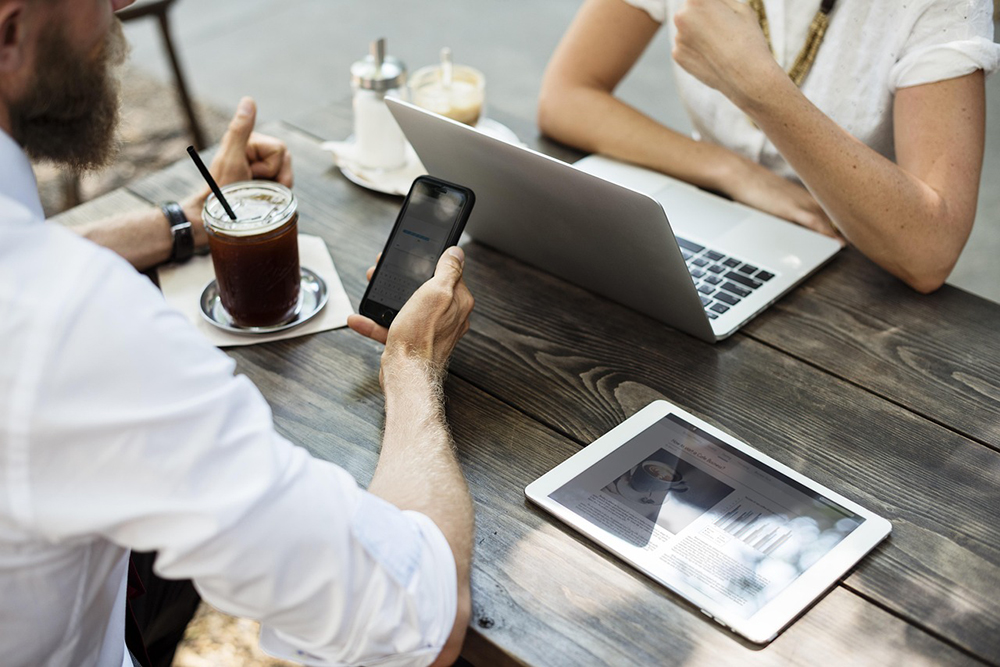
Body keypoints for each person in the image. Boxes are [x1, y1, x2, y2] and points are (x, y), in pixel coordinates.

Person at [0, 2, 475, 667]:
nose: (119, 11)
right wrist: (413, 364)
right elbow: (416, 616)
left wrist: (185, 222)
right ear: (10, 32)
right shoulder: (71, 321)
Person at [538, 0, 1000, 293]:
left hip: (856, 261)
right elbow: (565, 97)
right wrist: (733, 171)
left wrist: (759, 87)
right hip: (712, 221)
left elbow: (929, 252)